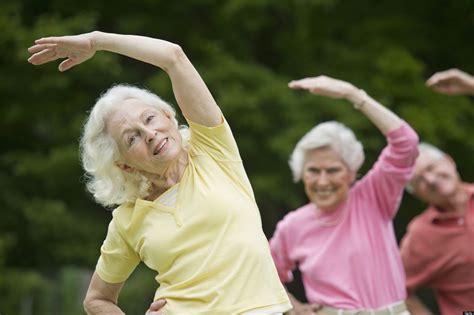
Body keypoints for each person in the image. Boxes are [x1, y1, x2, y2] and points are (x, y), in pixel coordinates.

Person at [28, 31, 292, 315]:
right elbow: (96, 300)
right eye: (132, 139)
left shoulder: (213, 151)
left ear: (168, 115)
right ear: (124, 165)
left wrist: (96, 41)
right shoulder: (127, 220)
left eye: (150, 118)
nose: (150, 135)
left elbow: (173, 57)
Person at [269, 75, 419, 315]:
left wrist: (353, 94)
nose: (323, 181)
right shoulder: (292, 226)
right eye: (313, 171)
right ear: (301, 174)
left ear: (351, 173)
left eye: (333, 170)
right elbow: (263, 273)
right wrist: (294, 308)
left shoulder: (372, 196)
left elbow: (406, 143)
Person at [400, 143, 474, 315]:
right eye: (419, 180)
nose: (431, 180)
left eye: (431, 167)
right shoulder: (421, 235)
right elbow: (396, 289)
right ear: (416, 193)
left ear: (449, 161)